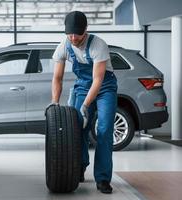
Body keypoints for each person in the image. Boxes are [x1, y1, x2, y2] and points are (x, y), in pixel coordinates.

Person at [50, 11, 117, 194]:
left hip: (104, 88)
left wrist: (86, 106)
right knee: (76, 127)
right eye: (69, 33)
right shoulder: (64, 45)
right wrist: (55, 103)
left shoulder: (98, 45)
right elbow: (57, 78)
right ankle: (79, 166)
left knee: (103, 130)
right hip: (82, 87)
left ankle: (103, 179)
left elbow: (98, 79)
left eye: (77, 34)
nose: (73, 38)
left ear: (86, 30)